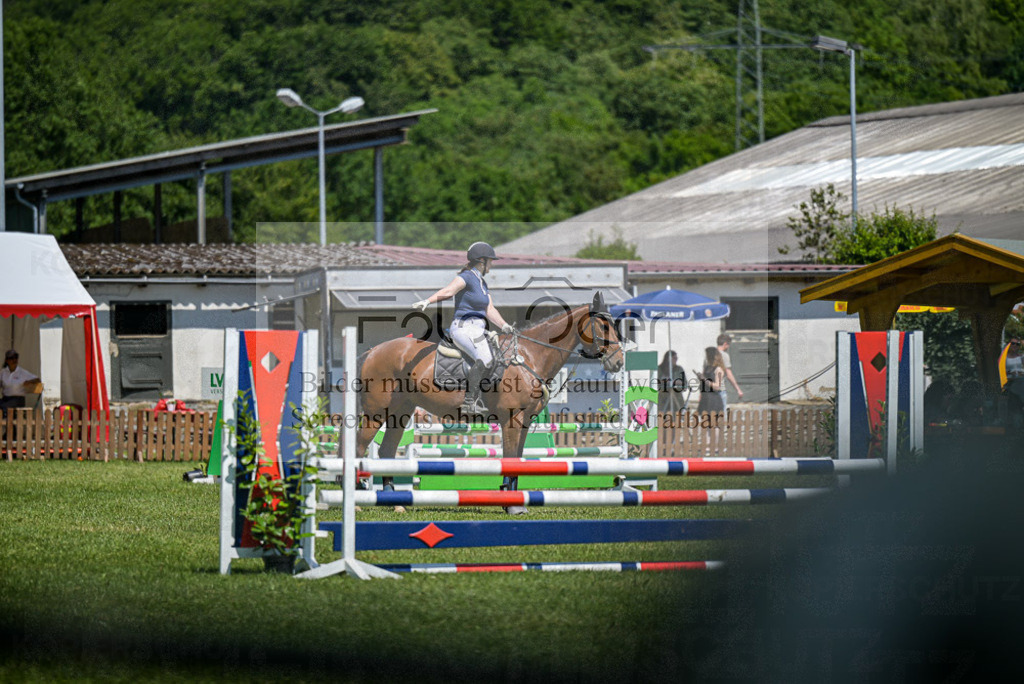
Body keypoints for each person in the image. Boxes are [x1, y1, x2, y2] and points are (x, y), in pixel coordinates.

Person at [414, 242, 514, 413]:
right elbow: (449, 291)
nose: (492, 264)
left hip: (479, 329)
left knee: (498, 357)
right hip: (463, 328)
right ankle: (469, 402)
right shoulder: (467, 276)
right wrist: (428, 301)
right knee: (486, 359)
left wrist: (504, 325)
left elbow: (489, 309)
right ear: (481, 261)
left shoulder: (482, 283)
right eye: (490, 261)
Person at [1, 349, 41, 416]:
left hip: (18, 400)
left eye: (16, 357)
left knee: (4, 406)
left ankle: (8, 422)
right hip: (5, 399)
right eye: (11, 358)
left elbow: (38, 380)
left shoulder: (22, 372)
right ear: (7, 360)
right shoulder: (3, 372)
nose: (14, 360)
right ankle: (8, 423)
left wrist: (29, 381)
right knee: (4, 405)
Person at [716, 334, 744, 411]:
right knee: (721, 415)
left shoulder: (709, 355)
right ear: (725, 344)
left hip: (708, 390)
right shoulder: (724, 355)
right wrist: (738, 389)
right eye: (728, 345)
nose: (728, 347)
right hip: (720, 389)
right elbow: (729, 374)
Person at [696, 347, 725, 416]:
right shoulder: (707, 368)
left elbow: (717, 386)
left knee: (713, 424)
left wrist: (704, 380)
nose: (706, 357)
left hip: (713, 400)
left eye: (707, 355)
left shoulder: (718, 369)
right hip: (705, 398)